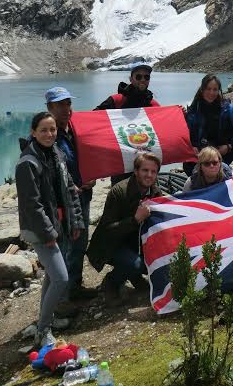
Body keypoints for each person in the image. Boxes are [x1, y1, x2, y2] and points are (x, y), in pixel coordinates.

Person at [16, 112, 84, 348]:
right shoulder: (28, 163)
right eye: (44, 130)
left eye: (53, 129)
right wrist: (49, 235)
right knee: (61, 278)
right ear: (33, 132)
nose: (49, 134)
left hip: (59, 225)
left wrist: (75, 222)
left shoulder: (57, 154)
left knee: (52, 276)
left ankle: (47, 320)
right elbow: (32, 206)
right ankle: (43, 330)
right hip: (42, 230)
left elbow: (69, 189)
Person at [87, 153, 164, 306]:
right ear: (136, 171)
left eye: (153, 171)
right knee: (136, 264)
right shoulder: (119, 191)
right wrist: (135, 220)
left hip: (134, 242)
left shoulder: (155, 191)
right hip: (111, 244)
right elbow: (108, 230)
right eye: (145, 170)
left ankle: (133, 276)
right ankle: (111, 283)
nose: (149, 175)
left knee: (154, 261)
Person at [44, 86, 98, 300]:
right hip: (61, 204)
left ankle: (74, 286)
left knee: (79, 243)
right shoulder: (48, 135)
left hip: (82, 197)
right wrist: (68, 187)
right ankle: (61, 298)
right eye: (60, 105)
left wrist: (90, 176)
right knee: (65, 246)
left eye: (68, 103)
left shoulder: (73, 130)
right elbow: (47, 173)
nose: (66, 109)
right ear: (50, 107)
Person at [184, 74, 233, 175]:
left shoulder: (227, 109)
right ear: (202, 90)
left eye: (215, 89)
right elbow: (183, 137)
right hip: (197, 160)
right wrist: (191, 147)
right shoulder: (192, 111)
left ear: (219, 90)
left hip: (221, 158)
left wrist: (229, 146)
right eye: (208, 89)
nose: (211, 93)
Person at [94, 62, 160, 110]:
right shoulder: (115, 100)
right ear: (131, 79)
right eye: (138, 77)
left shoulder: (154, 105)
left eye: (146, 77)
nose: (143, 80)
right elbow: (93, 117)